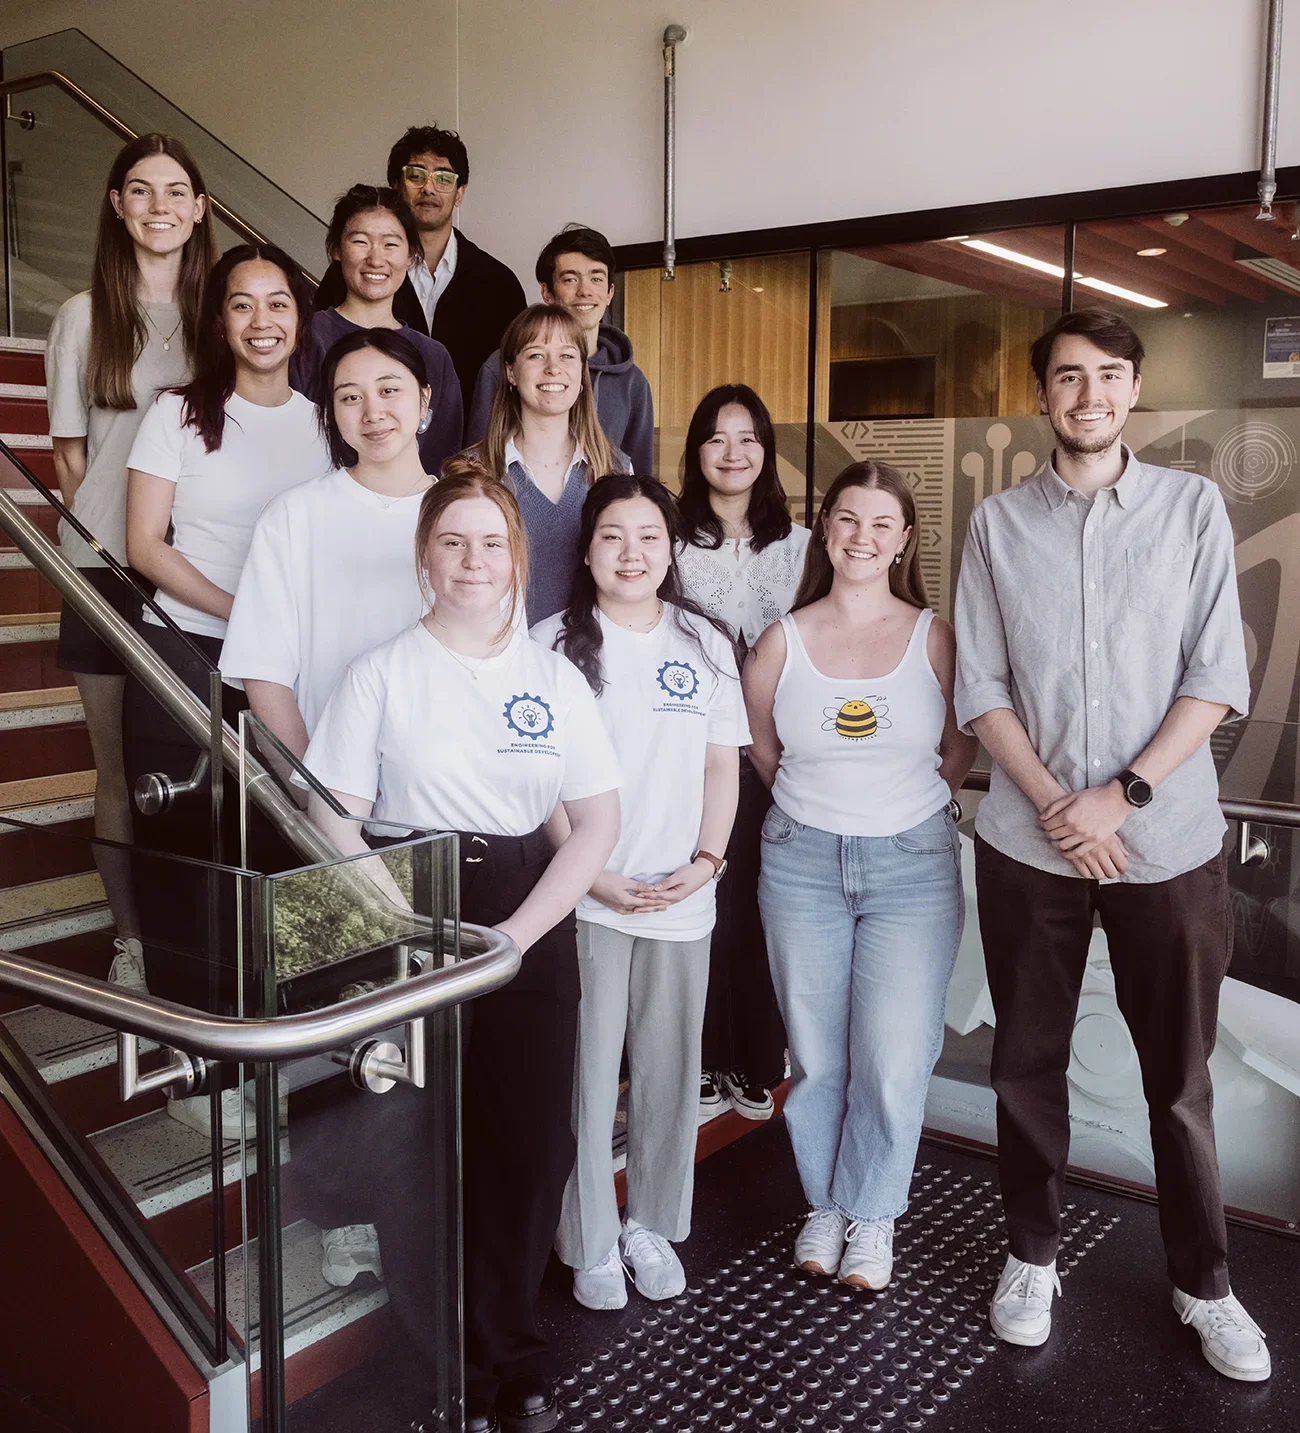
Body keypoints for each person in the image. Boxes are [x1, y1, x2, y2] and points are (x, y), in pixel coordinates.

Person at [953, 308, 1269, 1381]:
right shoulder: (997, 522)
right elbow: (981, 687)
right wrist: (1057, 804)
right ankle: (1031, 1253)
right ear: (1041, 394)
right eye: (1066, 377)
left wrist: (1120, 796)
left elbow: (1216, 674)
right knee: (1024, 1064)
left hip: (1167, 838)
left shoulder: (1191, 508)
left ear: (1133, 390)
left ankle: (1205, 1281)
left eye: (1106, 376)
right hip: (1029, 840)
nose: (1087, 394)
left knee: (1176, 1079)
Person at [303, 471, 621, 1433]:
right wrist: (402, 925)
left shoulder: (553, 676)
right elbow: (332, 817)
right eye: (453, 542)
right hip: (413, 907)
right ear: (424, 558)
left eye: (491, 544)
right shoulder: (381, 673)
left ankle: (511, 1353)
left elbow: (598, 822)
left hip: (527, 908)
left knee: (528, 1149)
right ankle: (445, 1363)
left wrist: (518, 938)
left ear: (517, 561)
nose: (472, 560)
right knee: (418, 1151)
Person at [744, 461, 976, 1290]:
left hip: (911, 864)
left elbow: (960, 743)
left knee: (891, 1055)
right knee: (815, 1053)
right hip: (801, 860)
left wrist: (906, 807)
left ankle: (872, 1214)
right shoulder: (783, 637)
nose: (862, 538)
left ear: (905, 539)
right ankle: (826, 1204)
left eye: (881, 524)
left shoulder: (934, 636)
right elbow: (764, 748)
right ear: (824, 529)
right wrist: (822, 810)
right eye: (847, 520)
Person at [122, 242, 329, 1135]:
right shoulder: (178, 411)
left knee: (284, 859)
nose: (261, 321)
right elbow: (146, 544)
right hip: (188, 656)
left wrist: (278, 626)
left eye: (276, 303)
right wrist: (246, 607)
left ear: (299, 318)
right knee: (192, 860)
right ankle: (197, 1071)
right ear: (218, 321)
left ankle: (284, 1060)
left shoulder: (328, 419)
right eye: (241, 305)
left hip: (288, 667)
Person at [535, 475, 749, 1312]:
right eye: (614, 536)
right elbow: (541, 783)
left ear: (672, 549)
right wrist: (590, 872)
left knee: (669, 1069)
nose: (632, 552)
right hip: (583, 895)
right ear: (586, 550)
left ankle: (651, 1222)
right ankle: (587, 1237)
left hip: (680, 895)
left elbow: (721, 763)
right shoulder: (550, 643)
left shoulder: (704, 642)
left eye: (649, 536)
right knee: (586, 1074)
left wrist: (706, 861)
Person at [45, 133, 215, 991]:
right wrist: (110, 539)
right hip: (107, 572)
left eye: (175, 191)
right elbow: (71, 461)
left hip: (200, 571)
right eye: (140, 191)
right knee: (116, 767)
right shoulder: (81, 316)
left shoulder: (223, 311)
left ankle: (203, 940)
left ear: (200, 208)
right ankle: (133, 942)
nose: (158, 206)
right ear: (117, 204)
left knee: (200, 768)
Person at [676, 384, 810, 1122]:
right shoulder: (666, 541)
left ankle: (758, 1054)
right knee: (703, 903)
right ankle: (698, 1057)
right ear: (697, 452)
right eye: (717, 438)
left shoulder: (801, 546)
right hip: (691, 756)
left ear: (767, 450)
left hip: (776, 757)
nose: (734, 453)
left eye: (749, 437)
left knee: (763, 907)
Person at [221, 329, 437, 758]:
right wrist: (313, 796)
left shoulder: (470, 516)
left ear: (424, 399)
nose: (373, 412)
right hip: (331, 776)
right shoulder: (293, 516)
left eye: (389, 390)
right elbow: (263, 672)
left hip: (451, 780)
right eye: (350, 398)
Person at [312, 124, 526, 407]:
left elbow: (515, 377)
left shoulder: (500, 284)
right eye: (415, 175)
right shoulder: (351, 276)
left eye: (444, 178)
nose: (428, 187)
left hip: (470, 444)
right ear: (396, 186)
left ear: (459, 193)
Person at [472, 303, 627, 625]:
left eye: (567, 355)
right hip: (501, 662)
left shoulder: (617, 471)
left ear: (582, 372)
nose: (553, 368)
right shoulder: (472, 471)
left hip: (593, 659)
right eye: (536, 355)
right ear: (511, 372)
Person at [293, 185, 461, 475]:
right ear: (336, 249)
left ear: (411, 255)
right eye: (360, 241)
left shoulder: (434, 356)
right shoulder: (305, 337)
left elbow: (443, 459)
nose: (376, 259)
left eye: (391, 244)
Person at [467, 226, 654, 475]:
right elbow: (477, 461)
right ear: (547, 292)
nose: (585, 290)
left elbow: (640, 477)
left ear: (610, 292)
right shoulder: (500, 366)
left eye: (596, 279)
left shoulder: (632, 381)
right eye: (570, 279)